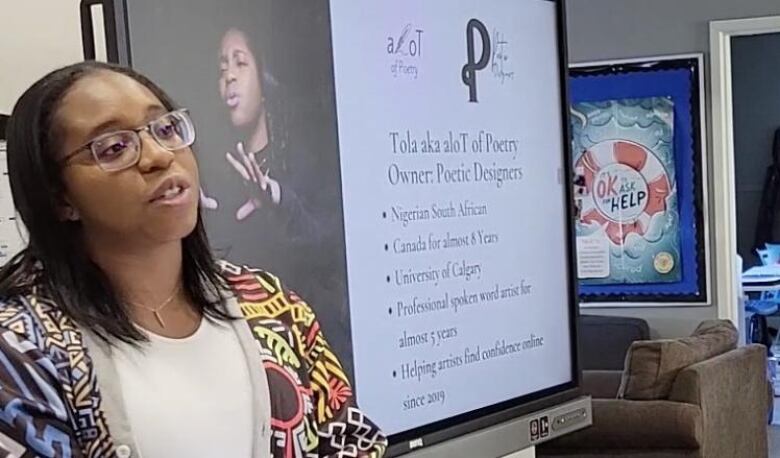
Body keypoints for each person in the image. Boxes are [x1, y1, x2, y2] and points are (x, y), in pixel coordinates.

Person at [0, 61, 386, 458]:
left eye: (165, 129)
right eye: (115, 147)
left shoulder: (269, 302)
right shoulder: (20, 349)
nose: (159, 156)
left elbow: (354, 443)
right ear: (59, 197)